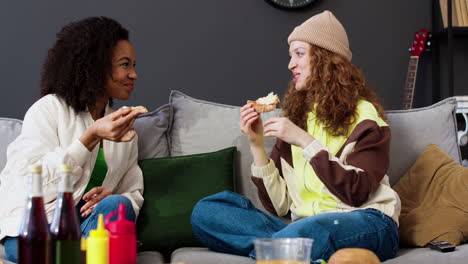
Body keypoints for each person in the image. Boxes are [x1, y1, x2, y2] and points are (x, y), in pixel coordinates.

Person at [191, 10, 400, 263]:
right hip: (304, 228)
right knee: (207, 211)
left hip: (366, 222)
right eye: (291, 56)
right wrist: (256, 144)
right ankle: (294, 252)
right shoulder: (299, 117)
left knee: (313, 229)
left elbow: (357, 192)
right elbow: (279, 207)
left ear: (326, 60)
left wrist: (305, 141)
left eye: (299, 54)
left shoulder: (364, 115)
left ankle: (282, 251)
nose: (291, 64)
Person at [0, 16, 144, 262]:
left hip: (85, 229)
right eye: (124, 65)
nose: (134, 75)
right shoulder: (48, 109)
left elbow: (133, 192)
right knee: (43, 247)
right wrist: (88, 138)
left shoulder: (124, 129)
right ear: (96, 65)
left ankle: (72, 257)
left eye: (133, 65)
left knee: (118, 206)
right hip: (38, 227)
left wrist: (109, 195)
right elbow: (33, 185)